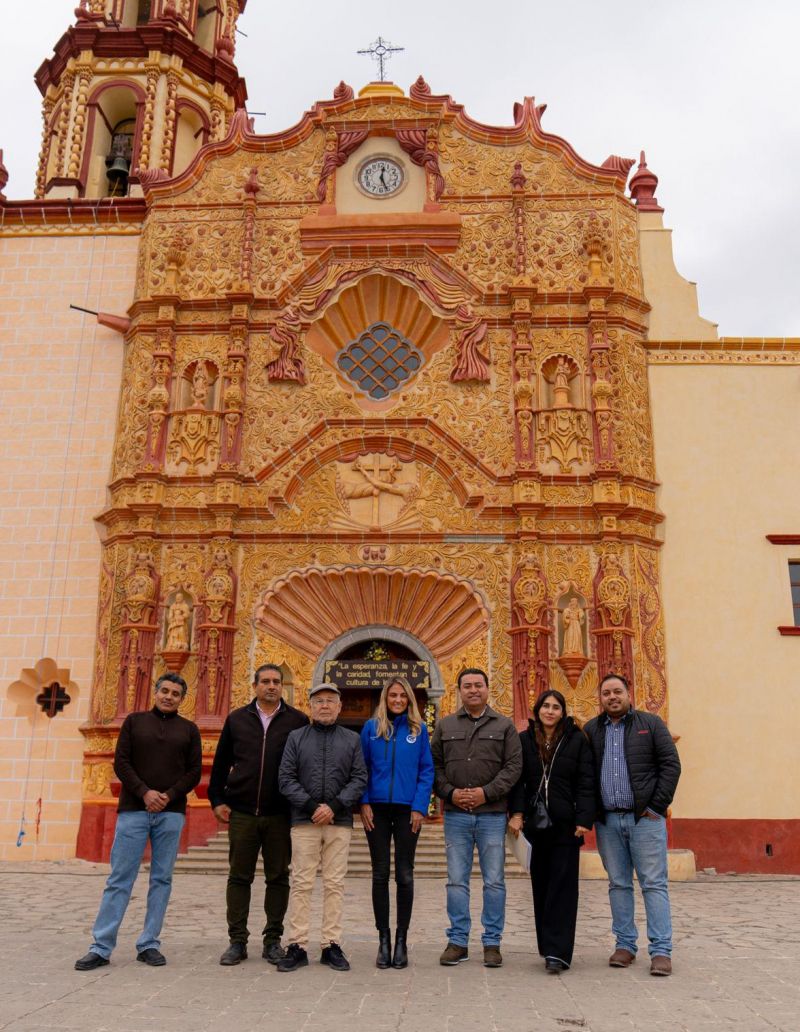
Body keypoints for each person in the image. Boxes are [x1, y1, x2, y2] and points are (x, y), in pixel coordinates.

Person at [74, 673, 201, 970]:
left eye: (175, 693)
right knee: (120, 878)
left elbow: (194, 772)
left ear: (183, 698)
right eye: (165, 691)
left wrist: (168, 796)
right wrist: (144, 793)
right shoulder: (134, 722)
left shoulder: (190, 730)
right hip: (133, 810)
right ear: (155, 693)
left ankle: (149, 943)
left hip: (171, 813)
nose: (169, 696)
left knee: (162, 879)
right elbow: (121, 762)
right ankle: (101, 946)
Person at [208, 663, 309, 966]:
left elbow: (304, 766)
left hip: (280, 813)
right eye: (265, 681)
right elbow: (221, 762)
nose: (271, 686)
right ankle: (237, 940)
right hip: (241, 811)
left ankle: (273, 940)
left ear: (283, 686)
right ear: (254, 686)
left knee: (278, 877)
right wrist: (216, 799)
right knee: (239, 877)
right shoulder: (237, 719)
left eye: (276, 681)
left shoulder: (297, 721)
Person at [584, 673, 681, 976]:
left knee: (653, 883)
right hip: (609, 821)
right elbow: (584, 774)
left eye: (617, 692)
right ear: (599, 698)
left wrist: (655, 807)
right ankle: (625, 945)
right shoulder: (592, 730)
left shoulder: (650, 724)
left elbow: (671, 765)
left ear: (629, 693)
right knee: (618, 884)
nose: (612, 697)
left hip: (644, 820)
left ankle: (661, 950)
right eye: (606, 693)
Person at [430, 667, 522, 968]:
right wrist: (450, 793)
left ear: (487, 688)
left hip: (492, 815)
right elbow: (434, 767)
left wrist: (486, 792)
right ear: (459, 690)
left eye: (478, 685)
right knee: (456, 881)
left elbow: (513, 768)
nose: (473, 690)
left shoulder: (505, 726)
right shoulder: (444, 726)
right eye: (467, 686)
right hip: (456, 815)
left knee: (494, 881)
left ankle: (492, 943)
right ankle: (457, 941)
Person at [276, 682, 368, 973]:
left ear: (340, 706)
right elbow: (286, 778)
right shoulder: (296, 737)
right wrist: (312, 807)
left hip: (339, 821)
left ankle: (331, 944)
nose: (325, 705)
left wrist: (335, 806)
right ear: (311, 706)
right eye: (319, 701)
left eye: (331, 700)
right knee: (302, 883)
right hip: (304, 820)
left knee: (334, 884)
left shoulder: (351, 739)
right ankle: (297, 944)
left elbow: (359, 778)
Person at [508, 690, 595, 973]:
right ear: (537, 709)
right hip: (536, 825)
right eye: (545, 706)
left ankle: (559, 952)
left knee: (564, 888)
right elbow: (518, 781)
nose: (550, 711)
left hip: (566, 825)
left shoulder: (577, 739)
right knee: (542, 887)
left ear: (563, 711)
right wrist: (518, 814)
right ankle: (547, 946)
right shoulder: (524, 740)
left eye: (556, 707)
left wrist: (584, 818)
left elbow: (585, 781)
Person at [360, 676, 435, 969]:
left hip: (407, 811)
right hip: (376, 809)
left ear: (409, 699)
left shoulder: (419, 730)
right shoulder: (371, 728)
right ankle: (384, 940)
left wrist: (419, 807)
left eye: (402, 696)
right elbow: (361, 767)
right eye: (392, 695)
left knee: (404, 874)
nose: (397, 700)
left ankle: (402, 940)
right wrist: (364, 801)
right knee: (380, 874)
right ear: (385, 698)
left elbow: (426, 770)